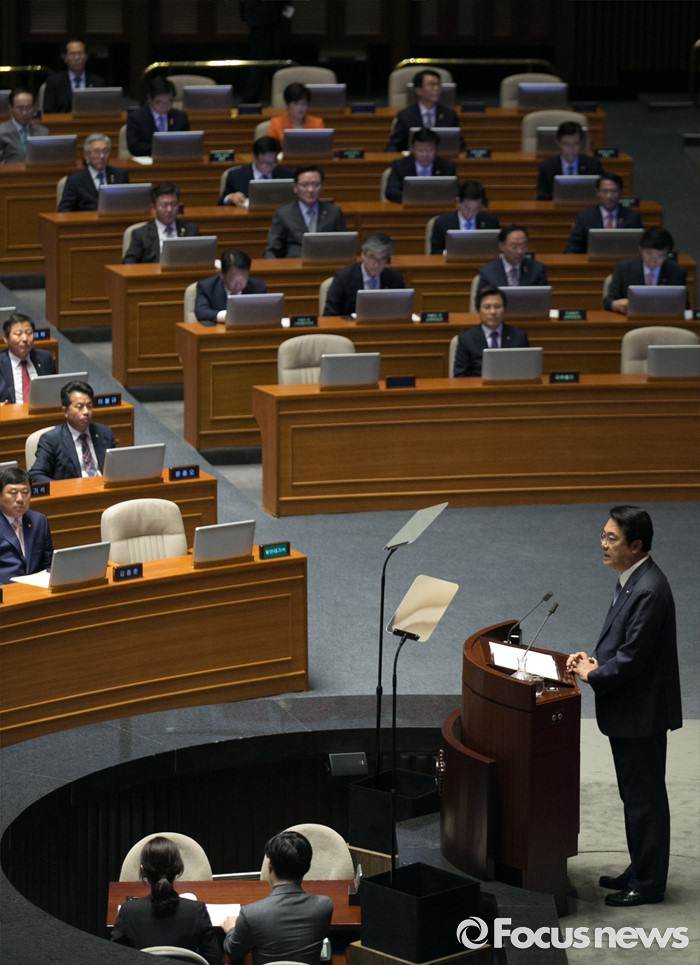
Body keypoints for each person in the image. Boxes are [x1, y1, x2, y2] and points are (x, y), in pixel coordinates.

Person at [566, 506, 681, 908]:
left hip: (641, 714)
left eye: (612, 538)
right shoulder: (632, 581)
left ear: (636, 545)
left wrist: (593, 674)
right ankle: (642, 867)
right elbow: (624, 643)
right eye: (603, 535)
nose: (603, 544)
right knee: (636, 797)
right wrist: (594, 660)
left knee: (644, 799)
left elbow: (632, 659)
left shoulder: (648, 589)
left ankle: (648, 883)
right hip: (632, 710)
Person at [222, 830, 332, 965]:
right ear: (307, 868)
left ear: (270, 866)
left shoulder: (250, 914)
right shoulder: (324, 906)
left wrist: (231, 929)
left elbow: (233, 951)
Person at [111, 836, 221, 964]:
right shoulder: (196, 911)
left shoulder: (128, 912)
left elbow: (112, 959)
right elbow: (215, 961)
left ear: (143, 870)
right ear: (179, 868)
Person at [29, 380, 118, 482]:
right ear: (65, 411)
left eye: (89, 406)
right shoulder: (51, 440)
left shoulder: (104, 432)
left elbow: (119, 465)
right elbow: (36, 474)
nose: (86, 412)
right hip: (73, 490)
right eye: (80, 407)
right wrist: (64, 488)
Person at [264, 166, 346, 259]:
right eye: (305, 185)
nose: (311, 190)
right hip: (294, 264)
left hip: (326, 262)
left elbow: (343, 245)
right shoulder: (283, 214)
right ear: (295, 188)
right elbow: (272, 249)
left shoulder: (334, 212)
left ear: (322, 187)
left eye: (316, 185)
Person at [604, 227, 688, 314]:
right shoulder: (624, 269)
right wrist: (616, 304)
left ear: (667, 255)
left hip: (665, 319)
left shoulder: (677, 272)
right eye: (649, 254)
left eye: (660, 256)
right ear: (641, 250)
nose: (653, 260)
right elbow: (608, 302)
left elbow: (684, 306)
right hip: (631, 319)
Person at [453, 286, 529, 377]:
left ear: (504, 309)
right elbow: (459, 376)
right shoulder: (466, 339)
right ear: (478, 310)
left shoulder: (519, 337)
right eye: (487, 307)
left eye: (497, 307)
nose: (493, 312)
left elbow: (527, 371)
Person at [322, 233, 405, 316]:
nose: (377, 264)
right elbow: (329, 315)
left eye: (383, 258)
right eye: (372, 257)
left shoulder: (395, 279)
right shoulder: (343, 278)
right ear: (363, 255)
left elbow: (402, 312)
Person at [0, 467, 54, 585]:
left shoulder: (39, 521)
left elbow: (49, 564)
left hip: (36, 588)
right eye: (13, 493)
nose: (20, 499)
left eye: (25, 492)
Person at [565, 173, 643, 254]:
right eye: (605, 191)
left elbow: (639, 248)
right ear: (597, 192)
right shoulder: (584, 217)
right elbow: (573, 248)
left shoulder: (632, 217)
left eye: (614, 191)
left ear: (621, 193)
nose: (609, 196)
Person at [386, 68, 460, 153]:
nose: (437, 88)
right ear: (419, 91)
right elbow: (394, 145)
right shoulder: (405, 115)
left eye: (438, 85)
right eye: (431, 85)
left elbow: (459, 145)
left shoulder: (449, 115)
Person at [122, 183, 199, 264]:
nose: (169, 209)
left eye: (173, 204)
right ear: (154, 207)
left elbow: (200, 258)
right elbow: (128, 263)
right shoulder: (141, 234)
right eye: (164, 205)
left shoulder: (191, 230)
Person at [239, 0, 293, 104]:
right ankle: (250, 98)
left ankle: (252, 97)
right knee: (261, 59)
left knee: (267, 58)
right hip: (266, 15)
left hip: (259, 14)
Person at [58, 132, 129, 211]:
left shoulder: (120, 176)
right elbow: (64, 210)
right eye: (97, 152)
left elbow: (128, 205)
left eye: (105, 151)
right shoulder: (75, 180)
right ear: (87, 155)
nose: (102, 156)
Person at [195, 247, 268, 324]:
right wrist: (227, 315)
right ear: (222, 274)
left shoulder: (258, 287)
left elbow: (265, 312)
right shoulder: (207, 287)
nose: (238, 285)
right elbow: (201, 312)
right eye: (232, 279)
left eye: (243, 279)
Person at [385, 128, 457, 204]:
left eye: (430, 150)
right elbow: (391, 192)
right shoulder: (400, 165)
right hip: (410, 207)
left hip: (437, 207)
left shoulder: (447, 166)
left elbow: (454, 191)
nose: (425, 154)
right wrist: (415, 199)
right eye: (420, 150)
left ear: (436, 149)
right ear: (413, 149)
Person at [535, 121, 603, 200]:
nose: (571, 148)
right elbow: (541, 195)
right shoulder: (546, 167)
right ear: (558, 143)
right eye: (566, 144)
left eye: (575, 143)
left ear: (581, 143)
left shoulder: (593, 165)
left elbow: (602, 191)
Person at [217, 136, 293, 206]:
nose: (269, 167)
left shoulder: (286, 174)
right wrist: (230, 198)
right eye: (264, 162)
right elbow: (221, 203)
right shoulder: (236, 176)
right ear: (254, 157)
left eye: (273, 162)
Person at [430, 180, 500, 254]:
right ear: (458, 202)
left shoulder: (490, 222)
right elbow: (435, 252)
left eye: (476, 209)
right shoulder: (442, 223)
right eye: (467, 208)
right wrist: (450, 253)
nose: (470, 213)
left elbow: (498, 248)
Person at [126, 76, 190, 158]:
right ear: (150, 99)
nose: (164, 106)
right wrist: (161, 148)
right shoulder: (136, 118)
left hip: (174, 160)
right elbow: (134, 146)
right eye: (159, 102)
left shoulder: (181, 117)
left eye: (169, 101)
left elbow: (186, 143)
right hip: (147, 160)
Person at [0, 313, 55, 404]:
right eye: (18, 334)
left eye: (29, 333)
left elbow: (54, 390)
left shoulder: (45, 358)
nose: (25, 339)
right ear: (6, 338)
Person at [42, 39, 105, 114]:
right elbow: (48, 111)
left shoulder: (98, 82)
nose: (77, 58)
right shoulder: (53, 82)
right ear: (65, 58)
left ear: (86, 57)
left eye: (80, 53)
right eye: (72, 54)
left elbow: (104, 109)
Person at [478, 225, 549, 291]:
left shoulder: (537, 270)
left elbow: (544, 298)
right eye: (514, 246)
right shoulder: (488, 272)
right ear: (501, 246)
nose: (520, 251)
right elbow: (481, 299)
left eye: (523, 246)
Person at [0, 89, 49, 163]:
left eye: (29, 108)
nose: (25, 113)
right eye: (20, 108)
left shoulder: (43, 132)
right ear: (11, 108)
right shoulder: (1, 132)